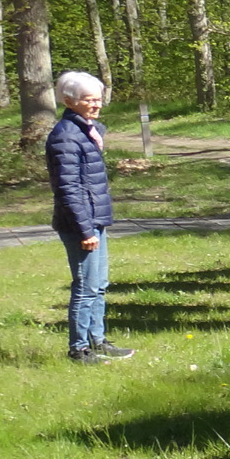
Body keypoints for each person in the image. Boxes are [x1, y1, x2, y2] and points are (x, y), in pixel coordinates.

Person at [46, 71, 134, 364]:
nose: (96, 105)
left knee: (99, 285)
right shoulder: (66, 136)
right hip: (80, 224)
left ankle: (98, 340)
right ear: (69, 101)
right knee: (85, 288)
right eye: (89, 100)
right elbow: (68, 188)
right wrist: (85, 231)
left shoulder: (86, 130)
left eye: (98, 99)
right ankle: (79, 349)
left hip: (95, 219)